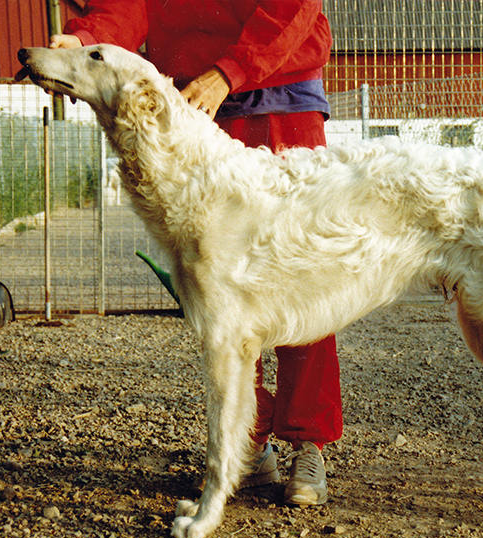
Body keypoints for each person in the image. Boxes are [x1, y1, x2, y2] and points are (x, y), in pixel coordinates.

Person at [50, 0, 341, 506]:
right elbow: (129, 6)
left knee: (300, 274)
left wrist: (229, 71)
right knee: (218, 290)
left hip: (278, 96)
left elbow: (293, 8)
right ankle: (246, 444)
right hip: (190, 103)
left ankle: (306, 441)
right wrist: (86, 39)